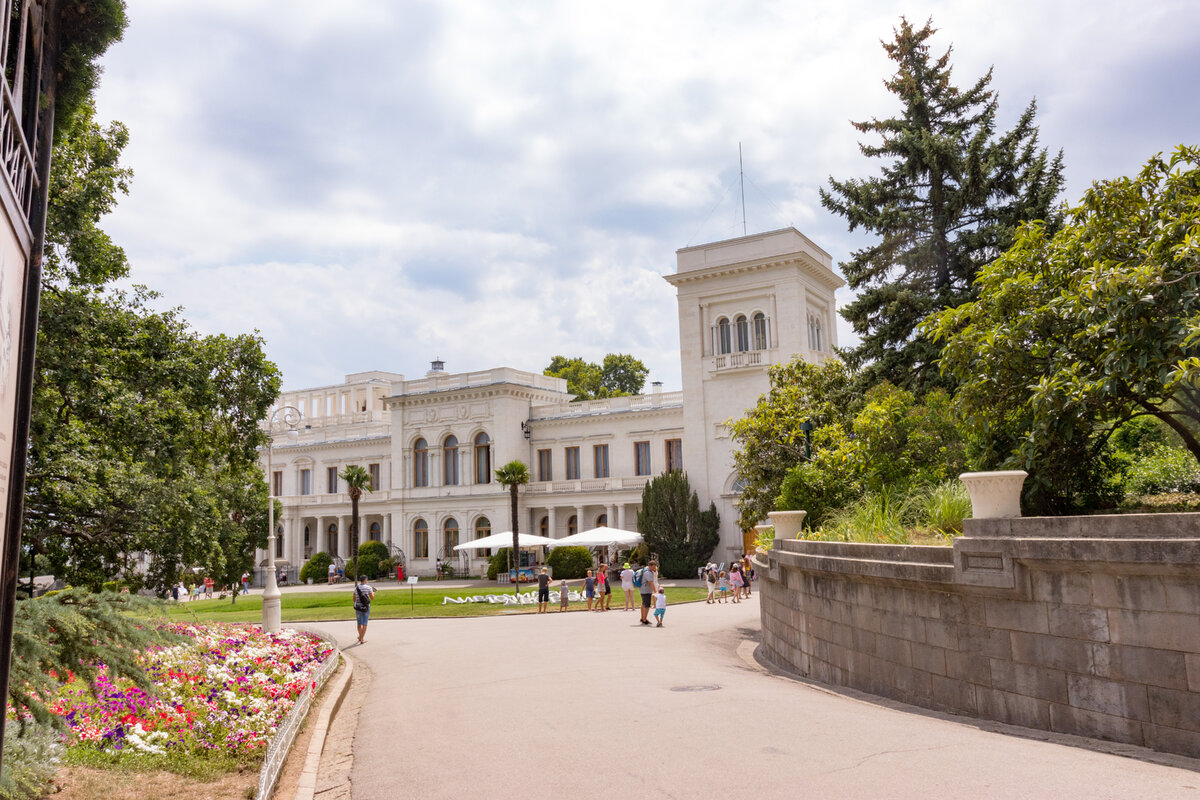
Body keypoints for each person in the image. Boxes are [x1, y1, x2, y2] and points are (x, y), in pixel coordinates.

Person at [353, 574, 375, 644]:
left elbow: (354, 599)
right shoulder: (369, 588)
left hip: (358, 607)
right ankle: (362, 639)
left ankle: (360, 636)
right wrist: (373, 593)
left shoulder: (356, 588)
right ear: (365, 580)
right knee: (365, 624)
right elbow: (372, 598)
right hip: (366, 607)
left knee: (359, 623)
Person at [638, 561, 659, 625]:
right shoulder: (648, 573)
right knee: (647, 605)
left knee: (643, 604)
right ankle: (644, 620)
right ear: (649, 566)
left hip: (642, 589)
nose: (653, 568)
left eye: (654, 567)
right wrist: (655, 591)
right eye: (652, 567)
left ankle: (642, 618)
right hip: (646, 590)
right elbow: (650, 582)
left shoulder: (645, 569)